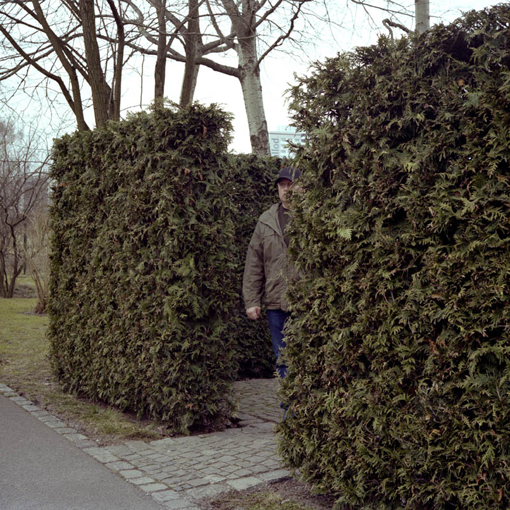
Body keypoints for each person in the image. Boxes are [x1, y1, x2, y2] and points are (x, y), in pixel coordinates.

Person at [242, 166, 301, 379]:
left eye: (291, 185)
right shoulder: (266, 221)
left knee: (308, 357)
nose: (286, 190)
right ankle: (290, 411)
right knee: (283, 359)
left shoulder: (311, 217)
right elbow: (254, 262)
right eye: (282, 185)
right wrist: (252, 300)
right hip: (276, 304)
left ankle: (309, 409)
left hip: (307, 301)